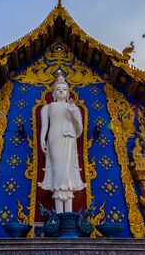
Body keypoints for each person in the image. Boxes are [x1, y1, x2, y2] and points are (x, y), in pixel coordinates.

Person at [38, 74, 86, 213]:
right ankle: (59, 214)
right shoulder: (47, 107)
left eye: (63, 89)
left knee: (67, 172)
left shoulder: (73, 108)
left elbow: (79, 129)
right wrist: (42, 139)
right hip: (54, 139)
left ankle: (68, 214)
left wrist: (73, 113)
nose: (60, 91)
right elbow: (45, 127)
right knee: (58, 171)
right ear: (53, 93)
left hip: (69, 138)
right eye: (58, 89)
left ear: (68, 93)